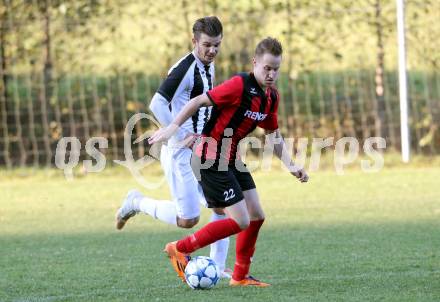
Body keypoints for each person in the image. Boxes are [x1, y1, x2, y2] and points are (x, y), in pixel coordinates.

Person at [148, 37, 309, 287]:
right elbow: (197, 101)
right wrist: (173, 127)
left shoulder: (270, 98)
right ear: (255, 63)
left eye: (276, 69)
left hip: (231, 158)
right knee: (240, 220)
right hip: (209, 158)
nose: (271, 74)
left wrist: (291, 165)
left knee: (256, 215)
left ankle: (240, 277)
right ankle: (178, 248)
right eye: (267, 68)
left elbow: (273, 136)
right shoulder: (238, 85)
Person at [115, 16, 232, 278]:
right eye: (206, 45)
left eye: (217, 45)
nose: (212, 50)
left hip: (203, 148)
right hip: (180, 150)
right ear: (194, 41)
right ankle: (136, 202)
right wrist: (179, 135)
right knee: (188, 220)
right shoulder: (185, 68)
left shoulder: (208, 65)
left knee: (222, 204)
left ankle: (218, 266)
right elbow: (157, 103)